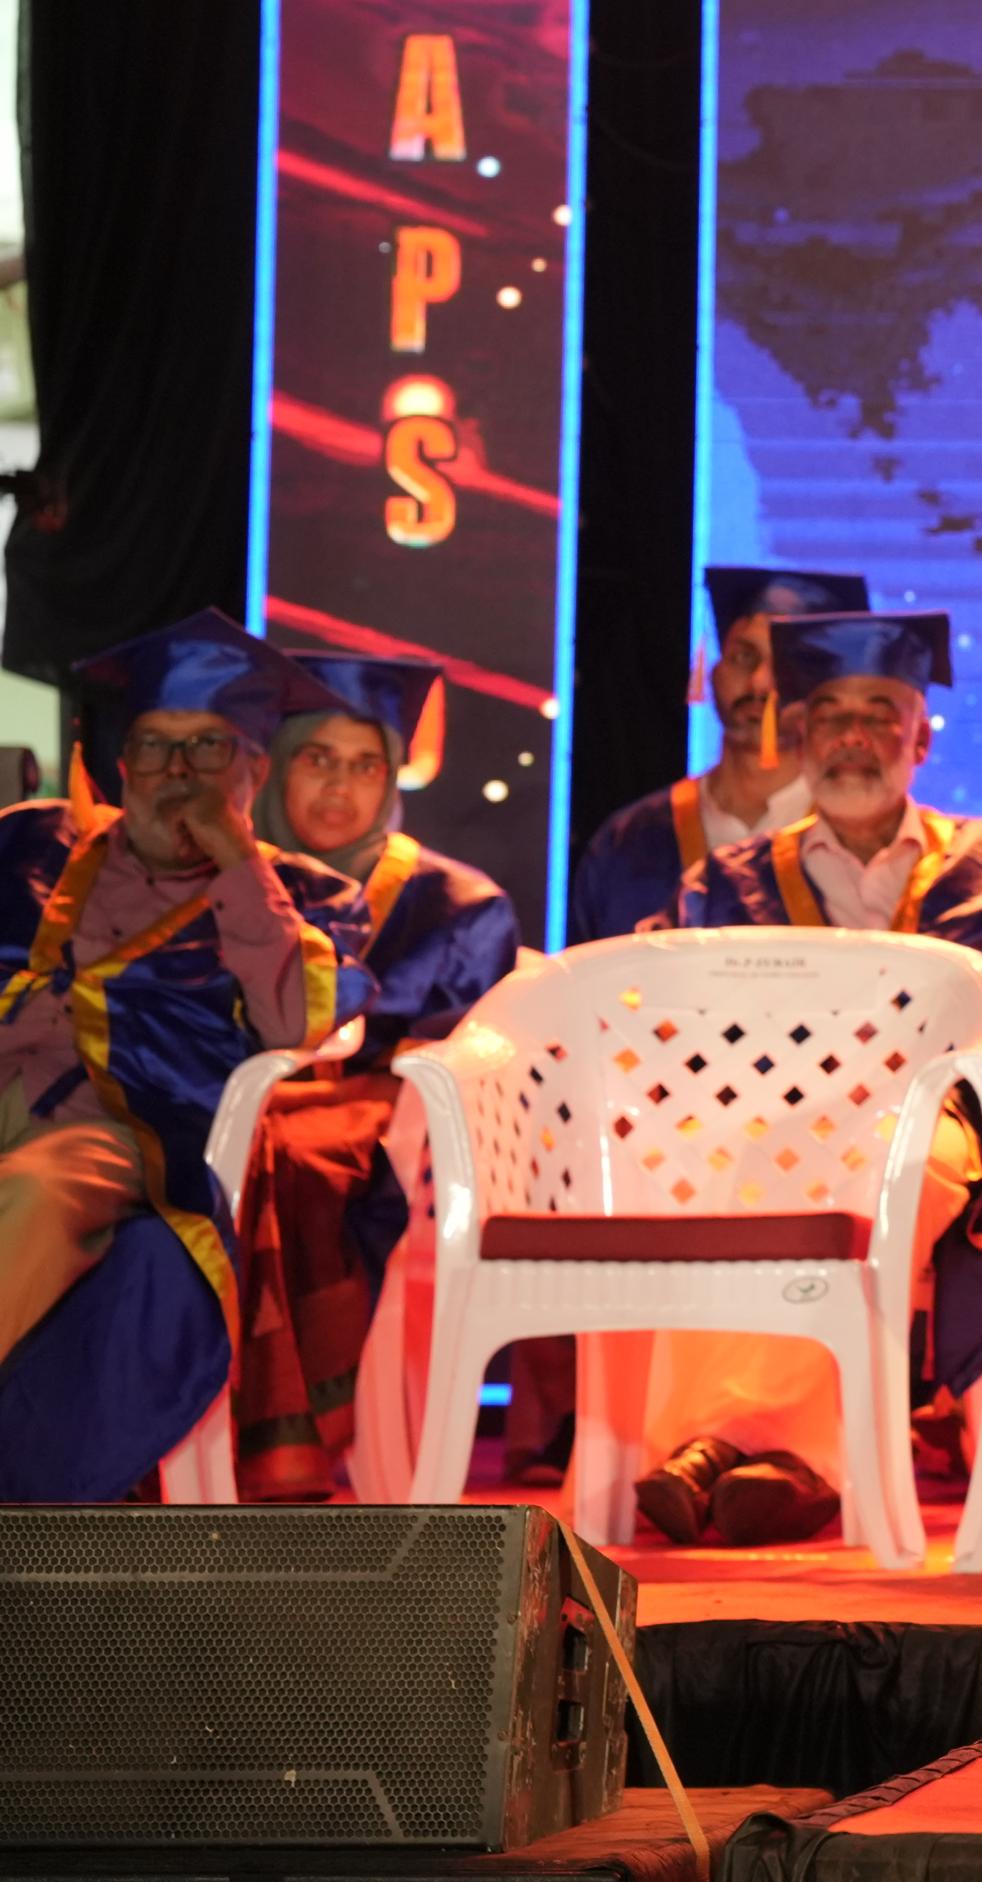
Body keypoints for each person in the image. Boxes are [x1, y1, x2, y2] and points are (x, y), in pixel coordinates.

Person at [640, 610, 982, 1547]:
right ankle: (781, 1464)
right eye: (830, 715)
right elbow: (666, 1018)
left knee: (872, 1170)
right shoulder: (724, 880)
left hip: (936, 1128)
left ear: (922, 737)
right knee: (731, 1167)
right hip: (759, 1125)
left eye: (880, 714)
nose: (854, 737)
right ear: (798, 737)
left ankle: (738, 1448)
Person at [0, 614, 374, 1497]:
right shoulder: (25, 843)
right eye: (154, 746)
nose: (177, 772)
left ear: (255, 769)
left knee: (37, 1190)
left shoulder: (309, 894)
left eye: (208, 747)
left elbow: (299, 1020)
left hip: (122, 1127)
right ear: (122, 763)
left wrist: (236, 855)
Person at [228, 650, 522, 1499]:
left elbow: (474, 1064)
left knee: (293, 1159)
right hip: (243, 1115)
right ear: (276, 766)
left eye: (365, 765)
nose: (339, 786)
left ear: (393, 776)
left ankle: (292, 1430)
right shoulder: (228, 886)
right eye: (317, 758)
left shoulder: (460, 903)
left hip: (403, 1144)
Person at [563, 566, 867, 946]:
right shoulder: (629, 841)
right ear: (713, 671)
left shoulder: (855, 839)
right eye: (743, 656)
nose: (760, 683)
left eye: (787, 663)